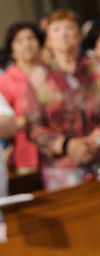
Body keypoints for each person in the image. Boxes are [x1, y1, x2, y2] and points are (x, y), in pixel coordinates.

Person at [25, 9, 100, 190]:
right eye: (56, 29)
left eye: (69, 28)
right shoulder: (39, 78)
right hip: (63, 168)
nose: (63, 33)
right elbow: (34, 126)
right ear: (48, 39)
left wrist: (97, 139)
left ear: (79, 35)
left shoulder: (99, 68)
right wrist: (67, 145)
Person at [0, 23, 44, 174]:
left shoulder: (52, 73)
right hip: (27, 154)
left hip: (60, 151)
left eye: (31, 38)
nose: (27, 44)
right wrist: (34, 117)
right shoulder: (5, 81)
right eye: (19, 41)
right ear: (12, 49)